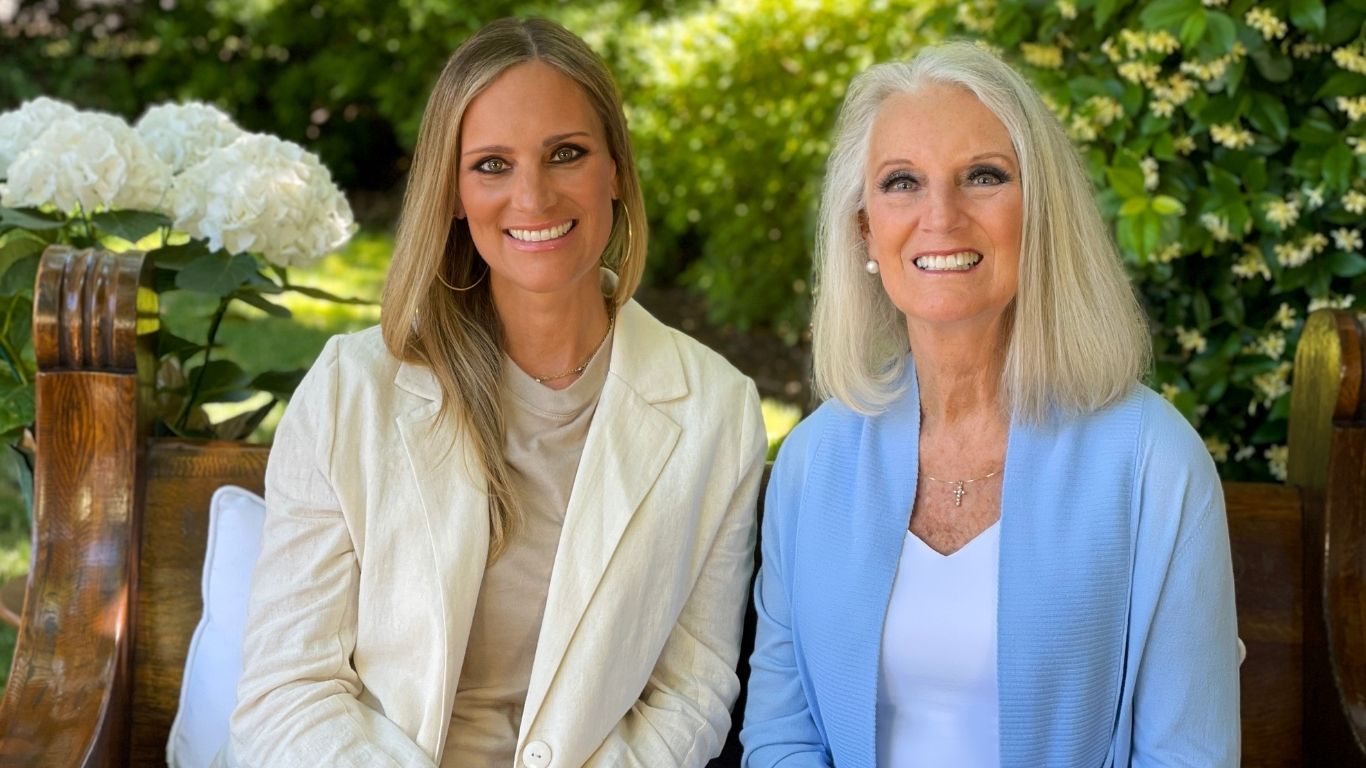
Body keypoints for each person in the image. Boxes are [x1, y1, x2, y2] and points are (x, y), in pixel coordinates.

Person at [217, 17, 766, 768]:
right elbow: (286, 691)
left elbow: (689, 693)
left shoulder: (715, 410)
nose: (532, 196)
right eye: (491, 165)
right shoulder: (353, 390)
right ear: (451, 192)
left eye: (566, 154)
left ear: (615, 171)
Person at [740, 42, 1239, 767]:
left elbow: (1189, 756)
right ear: (863, 231)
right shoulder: (813, 465)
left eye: (983, 176)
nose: (940, 216)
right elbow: (783, 739)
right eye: (902, 182)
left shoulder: (1152, 461)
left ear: (1040, 214)